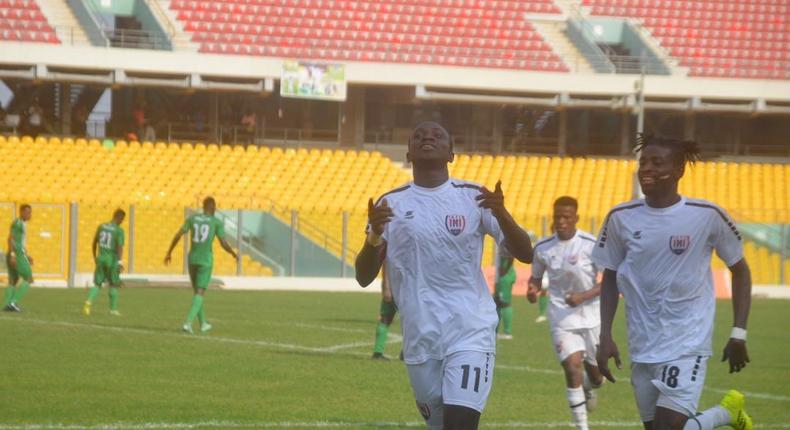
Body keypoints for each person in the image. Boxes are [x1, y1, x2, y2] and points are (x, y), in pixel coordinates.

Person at [355, 121, 533, 430]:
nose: (427, 137)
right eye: (418, 135)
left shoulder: (474, 197)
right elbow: (363, 276)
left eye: (437, 136)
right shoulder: (390, 204)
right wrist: (374, 238)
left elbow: (526, 253)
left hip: (470, 331)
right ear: (409, 153)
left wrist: (502, 214)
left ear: (451, 154)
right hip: (421, 339)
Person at [593, 134, 753, 430]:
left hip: (686, 343)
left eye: (657, 162)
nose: (646, 169)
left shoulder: (707, 215)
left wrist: (738, 333)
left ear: (678, 170)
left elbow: (740, 270)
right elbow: (610, 276)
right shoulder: (620, 217)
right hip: (642, 345)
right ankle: (725, 413)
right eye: (643, 162)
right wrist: (605, 335)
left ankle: (722, 414)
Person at [527, 196, 604, 430]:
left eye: (566, 217)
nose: (561, 221)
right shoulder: (543, 247)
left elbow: (609, 281)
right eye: (557, 217)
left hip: (592, 317)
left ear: (576, 219)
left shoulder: (591, 245)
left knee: (597, 377)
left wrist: (583, 296)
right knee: (572, 367)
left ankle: (589, 388)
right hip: (561, 317)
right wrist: (533, 289)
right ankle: (582, 426)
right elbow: (536, 277)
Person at [164, 197, 238, 334]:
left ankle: (203, 324)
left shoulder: (192, 219)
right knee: (200, 292)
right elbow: (223, 243)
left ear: (203, 207)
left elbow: (178, 234)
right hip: (205, 261)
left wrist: (169, 252)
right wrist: (233, 253)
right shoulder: (216, 222)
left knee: (197, 293)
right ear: (213, 208)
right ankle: (188, 323)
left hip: (192, 259)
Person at [83, 209, 126, 316]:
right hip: (111, 260)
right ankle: (113, 310)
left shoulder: (101, 226)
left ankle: (88, 302)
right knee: (113, 284)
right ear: (120, 218)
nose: (122, 221)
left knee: (97, 284)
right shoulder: (119, 230)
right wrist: (120, 262)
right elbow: (120, 247)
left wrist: (95, 257)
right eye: (122, 219)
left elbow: (94, 243)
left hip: (100, 258)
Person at [4, 204, 33, 312]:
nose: (29, 214)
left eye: (30, 212)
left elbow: (19, 241)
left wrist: (27, 255)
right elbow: (11, 239)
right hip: (17, 255)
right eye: (26, 212)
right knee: (29, 279)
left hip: (18, 253)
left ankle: (8, 304)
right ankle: (13, 302)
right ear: (21, 212)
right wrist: (13, 255)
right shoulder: (18, 224)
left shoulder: (21, 224)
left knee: (14, 280)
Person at [371, 263, 397, 360]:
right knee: (386, 318)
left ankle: (378, 353)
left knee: (386, 318)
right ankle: (378, 352)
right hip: (398, 287)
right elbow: (386, 263)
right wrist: (386, 287)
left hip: (397, 285)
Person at [493, 250, 516, 340]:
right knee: (497, 302)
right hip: (501, 277)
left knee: (505, 303)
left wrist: (506, 269)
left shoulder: (505, 239)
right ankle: (496, 332)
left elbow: (511, 254)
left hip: (505, 276)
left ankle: (507, 332)